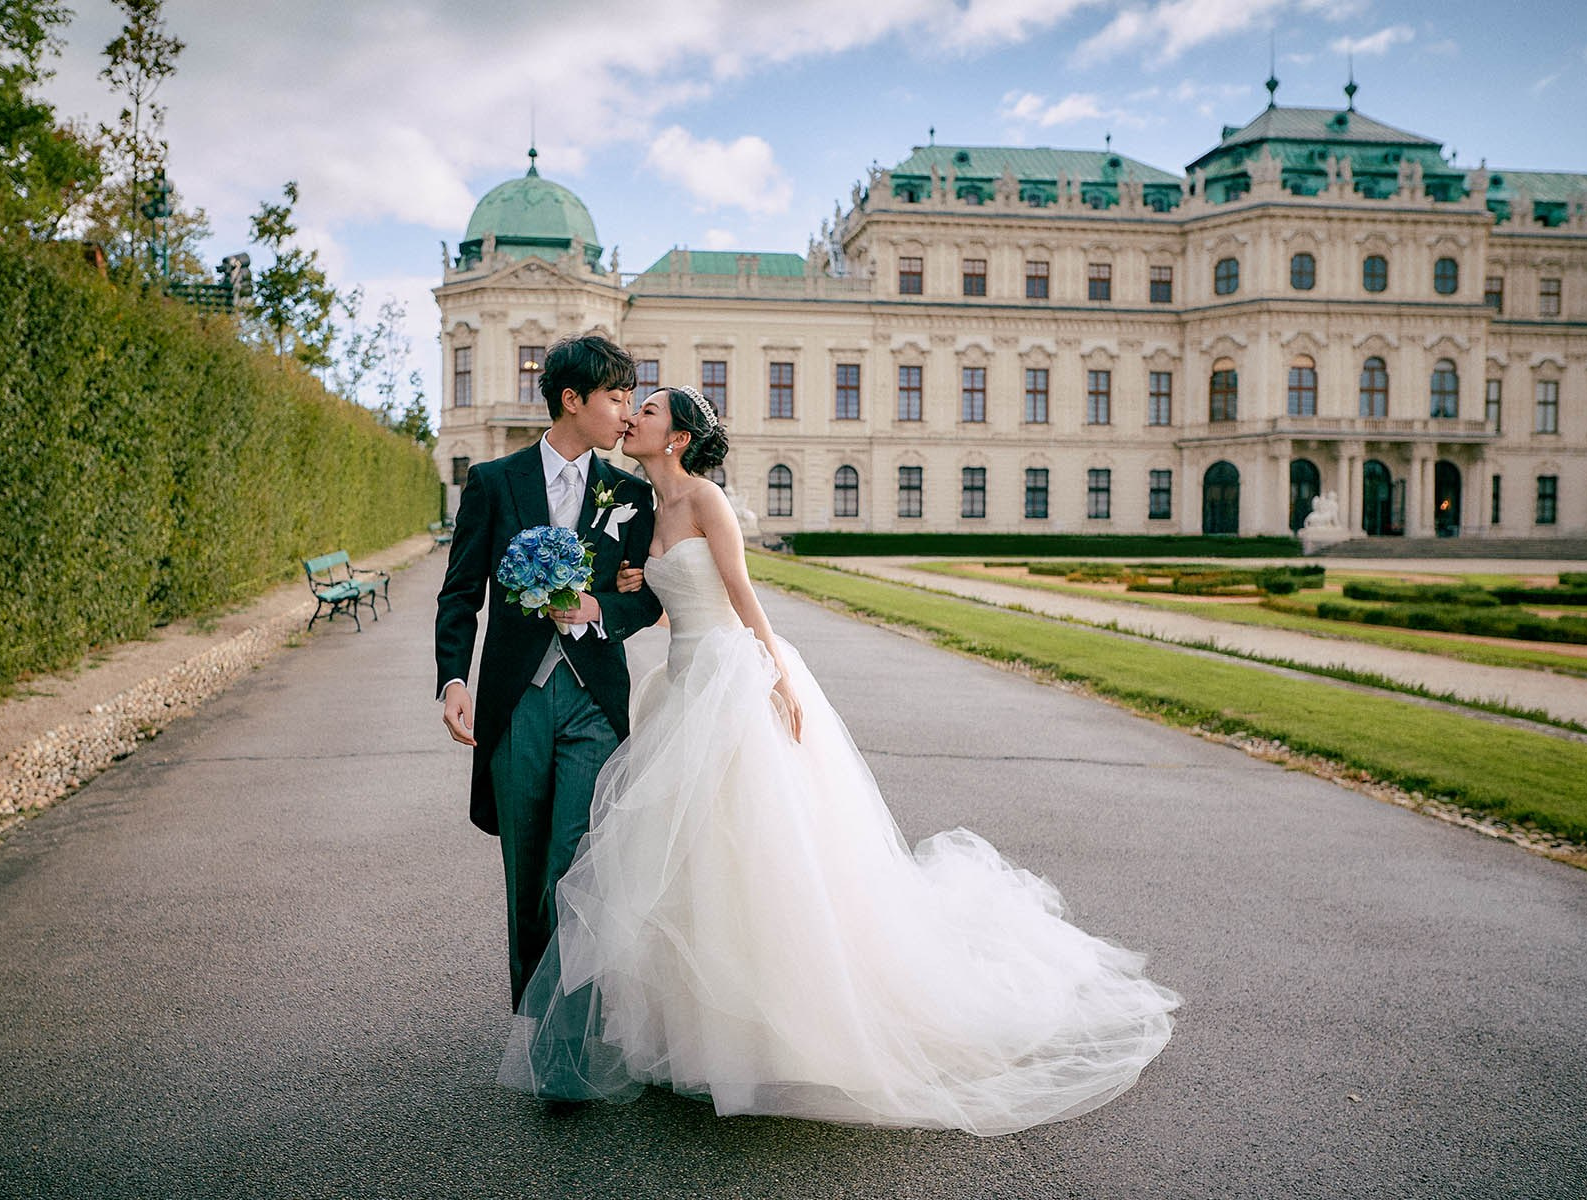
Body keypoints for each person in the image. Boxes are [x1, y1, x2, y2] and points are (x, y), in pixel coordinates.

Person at [499, 385, 1180, 1135]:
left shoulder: (704, 500)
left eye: (649, 411)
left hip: (732, 677)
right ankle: (698, 1030)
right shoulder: (646, 507)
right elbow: (667, 600)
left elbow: (743, 595)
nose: (633, 418)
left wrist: (779, 680)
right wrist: (631, 585)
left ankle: (780, 1024)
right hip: (682, 684)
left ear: (680, 438)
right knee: (691, 858)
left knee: (759, 852)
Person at [434, 334, 663, 1012]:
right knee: (526, 869)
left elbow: (648, 597)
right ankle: (534, 1028)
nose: (628, 413)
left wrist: (607, 606)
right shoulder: (493, 483)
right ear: (572, 399)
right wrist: (452, 681)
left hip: (594, 700)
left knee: (576, 866)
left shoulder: (628, 493)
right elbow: (459, 593)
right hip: (516, 704)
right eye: (617, 397)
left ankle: (571, 1033)